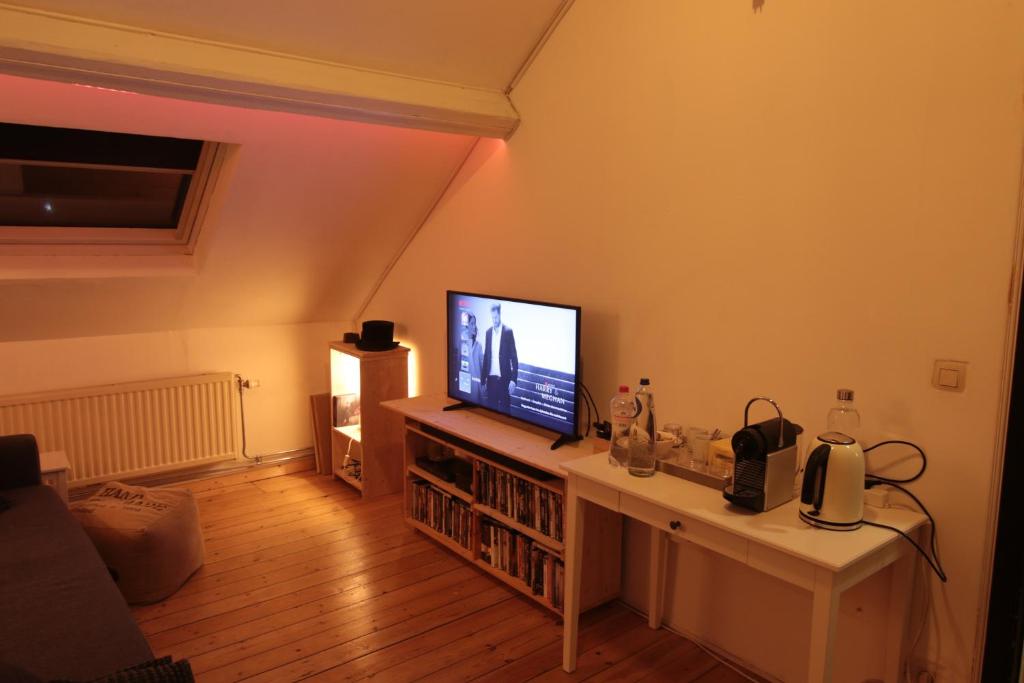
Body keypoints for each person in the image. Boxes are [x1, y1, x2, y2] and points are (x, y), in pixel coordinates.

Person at [481, 303, 518, 412]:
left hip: (504, 381)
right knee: (491, 415)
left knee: (506, 414)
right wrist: (483, 380)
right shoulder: (488, 333)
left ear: (500, 314)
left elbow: (514, 358)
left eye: (496, 317)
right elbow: (486, 357)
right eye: (492, 317)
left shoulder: (508, 332)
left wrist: (514, 380)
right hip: (491, 381)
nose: (494, 320)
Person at [465, 314, 485, 403]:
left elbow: (482, 366)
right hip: (465, 385)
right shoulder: (462, 343)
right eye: (472, 323)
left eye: (475, 324)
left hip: (476, 387)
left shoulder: (479, 346)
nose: (474, 326)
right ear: (466, 325)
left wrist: (483, 383)